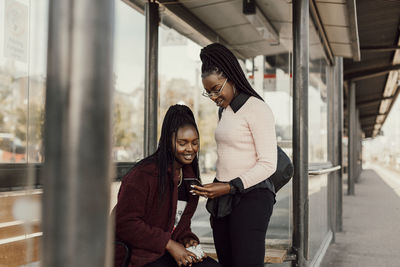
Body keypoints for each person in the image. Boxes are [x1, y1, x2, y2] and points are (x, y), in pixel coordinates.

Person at [191, 43, 278, 267]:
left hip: (251, 198)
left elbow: (269, 164)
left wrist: (229, 186)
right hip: (223, 198)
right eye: (208, 91)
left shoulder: (257, 108)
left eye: (216, 89)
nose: (213, 96)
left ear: (230, 77)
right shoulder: (225, 110)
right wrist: (216, 186)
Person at [114, 104, 220, 267]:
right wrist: (168, 244)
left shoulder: (189, 179)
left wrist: (187, 238)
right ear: (168, 141)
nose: (190, 149)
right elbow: (125, 223)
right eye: (182, 143)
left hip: (168, 253)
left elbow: (177, 223)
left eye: (195, 143)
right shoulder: (144, 174)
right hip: (140, 256)